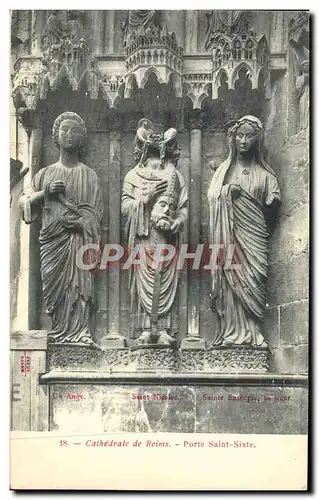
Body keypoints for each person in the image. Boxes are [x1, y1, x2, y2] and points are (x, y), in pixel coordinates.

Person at [20, 112, 103, 345]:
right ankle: (58, 331)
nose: (69, 135)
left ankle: (81, 332)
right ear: (55, 136)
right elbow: (23, 204)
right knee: (55, 293)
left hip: (78, 245)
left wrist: (78, 223)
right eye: (64, 130)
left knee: (79, 287)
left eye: (74, 131)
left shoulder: (90, 176)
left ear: (82, 138)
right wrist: (45, 193)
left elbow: (96, 217)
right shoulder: (44, 174)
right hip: (52, 245)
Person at [207, 115, 281, 347]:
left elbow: (274, 198)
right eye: (240, 135)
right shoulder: (224, 171)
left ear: (257, 140)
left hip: (255, 237)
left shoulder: (266, 175)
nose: (243, 140)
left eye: (249, 136)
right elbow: (212, 197)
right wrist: (228, 191)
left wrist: (273, 200)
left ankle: (253, 333)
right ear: (233, 139)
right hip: (231, 235)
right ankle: (231, 332)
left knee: (255, 278)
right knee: (231, 280)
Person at [121, 120, 188, 345]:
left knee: (168, 279)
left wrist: (178, 220)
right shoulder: (133, 176)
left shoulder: (174, 175)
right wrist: (144, 200)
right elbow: (125, 207)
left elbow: (184, 207)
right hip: (143, 236)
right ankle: (145, 329)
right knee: (143, 280)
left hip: (167, 238)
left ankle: (166, 329)